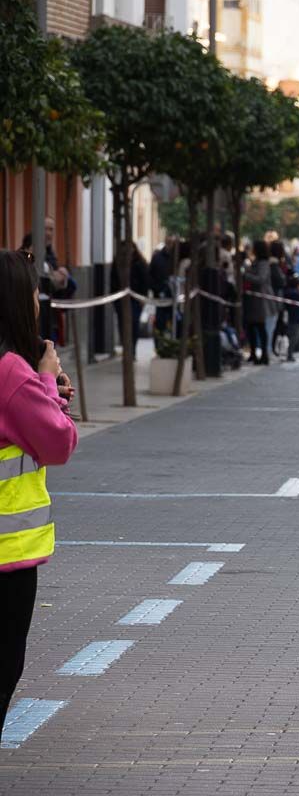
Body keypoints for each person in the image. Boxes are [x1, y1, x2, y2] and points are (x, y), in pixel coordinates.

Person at [0, 250, 78, 730]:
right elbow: (58, 441)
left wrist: (44, 388)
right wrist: (46, 379)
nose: (37, 301)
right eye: (32, 291)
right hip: (7, 556)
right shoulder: (10, 370)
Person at [242, 240, 274, 365]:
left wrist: (246, 275)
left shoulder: (263, 264)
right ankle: (254, 353)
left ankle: (263, 354)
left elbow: (261, 279)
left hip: (260, 300)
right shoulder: (256, 262)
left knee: (260, 327)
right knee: (252, 327)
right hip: (254, 300)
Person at [282, 274, 299, 363]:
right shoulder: (294, 293)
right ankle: (291, 355)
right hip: (296, 318)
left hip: (295, 318)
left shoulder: (288, 292)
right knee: (295, 338)